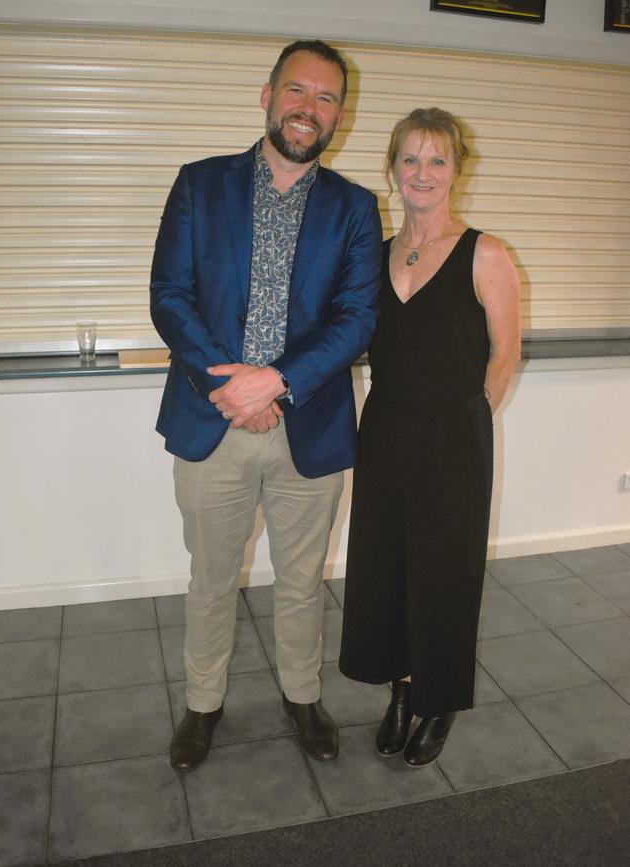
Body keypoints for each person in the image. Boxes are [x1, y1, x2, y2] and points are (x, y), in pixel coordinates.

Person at [150, 39, 382, 772]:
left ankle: (301, 695)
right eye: (297, 90)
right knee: (211, 577)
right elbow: (170, 296)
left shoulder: (355, 208)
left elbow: (355, 318)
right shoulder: (199, 184)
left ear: (339, 115)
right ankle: (203, 702)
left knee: (303, 578)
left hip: (307, 425)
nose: (308, 108)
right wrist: (232, 388)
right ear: (267, 94)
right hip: (210, 418)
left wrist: (274, 381)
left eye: (325, 98)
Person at [339, 107, 520, 766]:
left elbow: (505, 352)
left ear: (456, 170)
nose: (422, 172)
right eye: (410, 158)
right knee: (387, 566)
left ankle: (437, 699)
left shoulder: (486, 252)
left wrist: (471, 418)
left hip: (452, 435)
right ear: (393, 169)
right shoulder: (377, 254)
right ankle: (400, 687)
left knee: (445, 572)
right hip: (385, 428)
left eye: (436, 159)